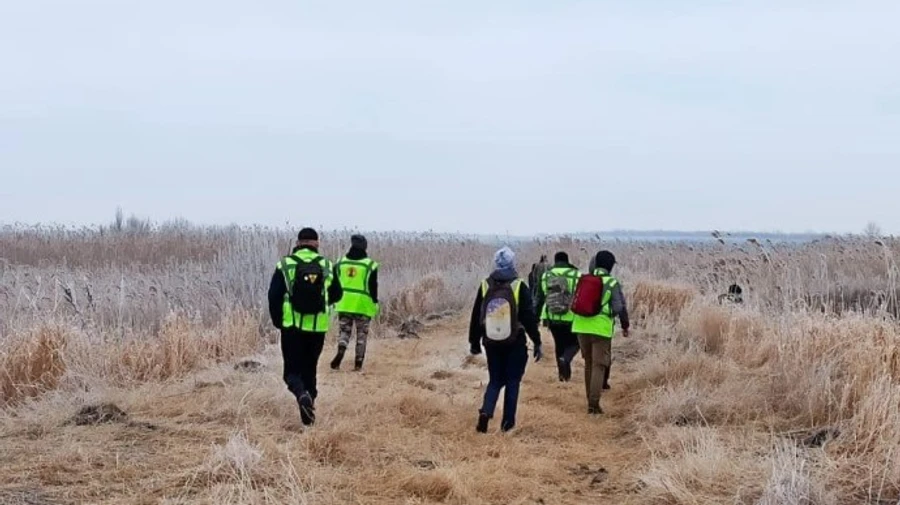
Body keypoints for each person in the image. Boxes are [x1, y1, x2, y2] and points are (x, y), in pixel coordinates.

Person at [267, 228, 343, 426]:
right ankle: (309, 417)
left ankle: (301, 395)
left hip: (292, 328)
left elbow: (274, 296)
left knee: (291, 372)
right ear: (317, 243)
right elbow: (337, 294)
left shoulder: (285, 264)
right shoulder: (327, 265)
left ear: (298, 242)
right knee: (310, 369)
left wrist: (278, 321)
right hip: (317, 328)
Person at [469, 246, 543, 433]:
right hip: (515, 341)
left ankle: (486, 411)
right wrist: (537, 341)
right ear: (513, 263)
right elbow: (528, 317)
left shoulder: (486, 285)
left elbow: (476, 315)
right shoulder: (519, 286)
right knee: (512, 381)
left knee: (495, 380)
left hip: (491, 341)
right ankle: (507, 424)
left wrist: (474, 342)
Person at [571, 250, 630, 415]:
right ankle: (593, 405)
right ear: (611, 266)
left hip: (581, 326)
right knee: (599, 365)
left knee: (589, 363)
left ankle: (590, 398)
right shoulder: (612, 283)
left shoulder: (584, 279)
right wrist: (624, 325)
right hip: (600, 328)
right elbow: (619, 307)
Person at [330, 234, 379, 371]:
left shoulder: (340, 263)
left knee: (344, 332)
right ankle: (358, 364)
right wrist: (375, 302)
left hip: (344, 303)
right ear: (365, 247)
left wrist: (333, 300)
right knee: (361, 335)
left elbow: (334, 284)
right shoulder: (369, 265)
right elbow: (373, 286)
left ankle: (341, 349)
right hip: (362, 305)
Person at [534, 251, 582, 382]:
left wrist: (536, 318)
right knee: (576, 343)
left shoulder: (546, 275)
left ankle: (563, 376)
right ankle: (566, 359)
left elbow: (540, 297)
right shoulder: (577, 275)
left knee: (559, 344)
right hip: (571, 316)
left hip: (551, 316)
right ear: (567, 261)